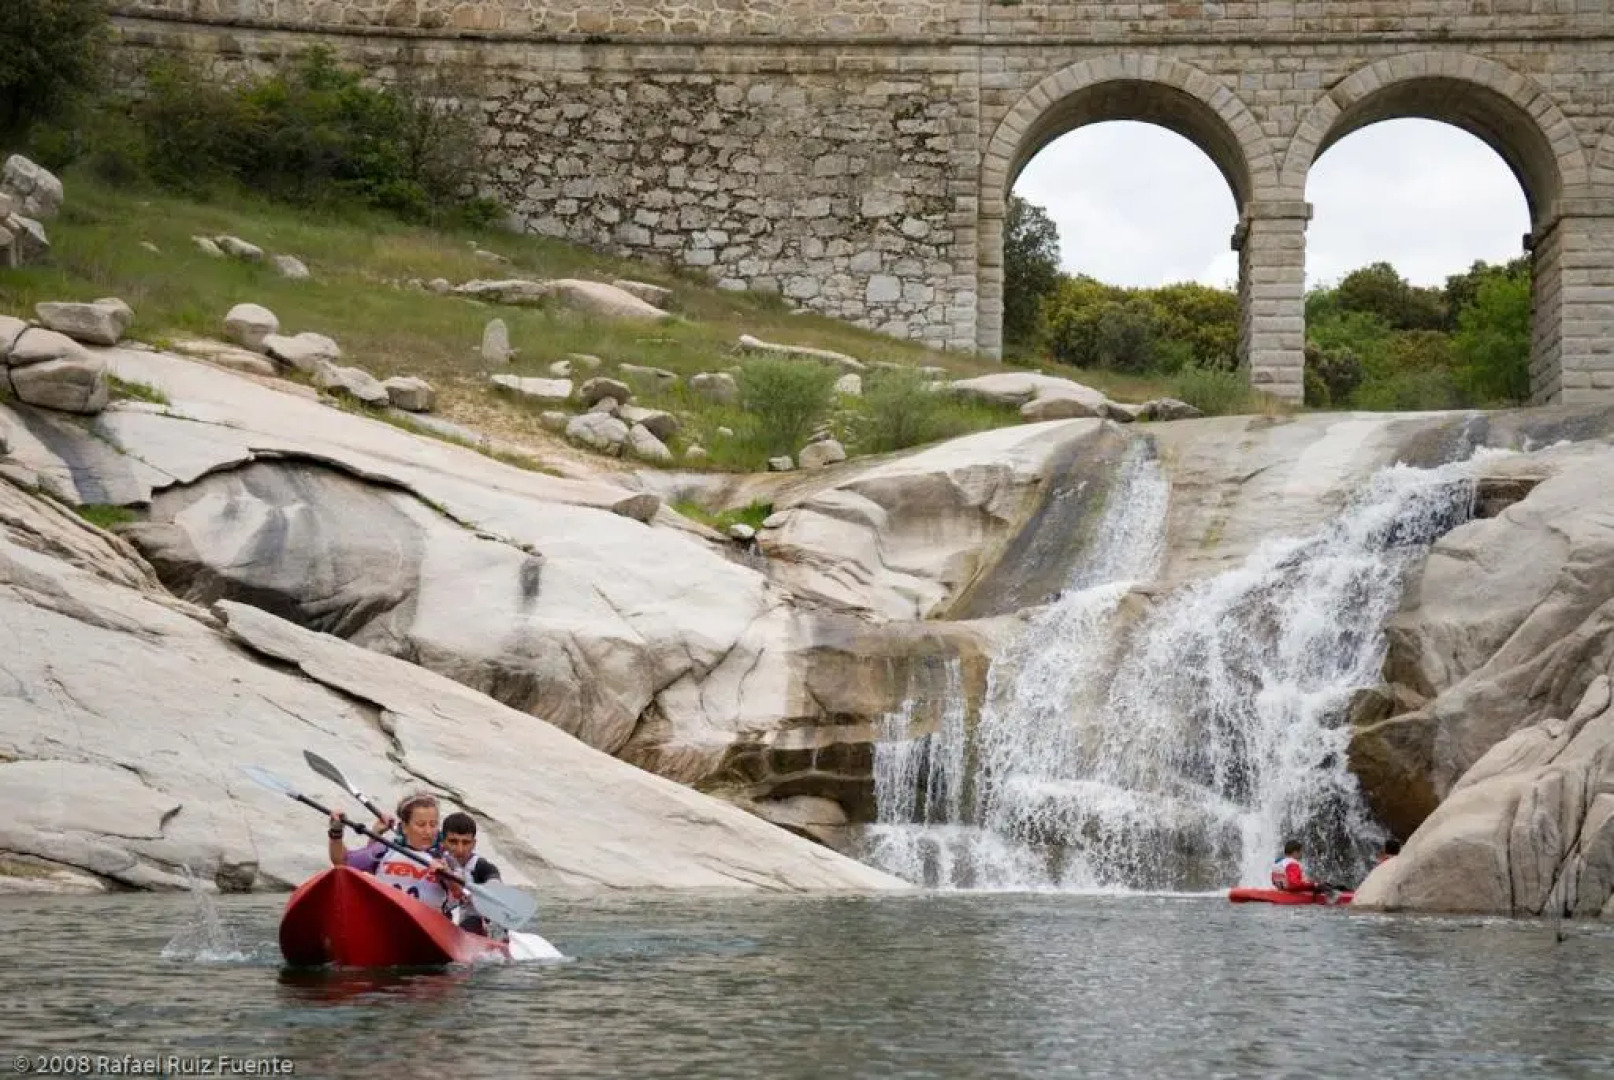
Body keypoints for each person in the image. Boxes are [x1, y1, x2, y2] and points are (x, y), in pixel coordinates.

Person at [327, 791, 456, 913]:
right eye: (421, 825)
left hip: (427, 928)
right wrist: (336, 832)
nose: (428, 831)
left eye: (433, 825)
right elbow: (342, 862)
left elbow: (463, 895)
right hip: (385, 917)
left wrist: (449, 878)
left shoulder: (447, 859)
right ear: (405, 827)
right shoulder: (384, 850)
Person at [439, 811, 503, 938]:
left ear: (473, 844)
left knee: (472, 921)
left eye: (466, 842)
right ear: (443, 841)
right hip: (441, 920)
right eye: (453, 841)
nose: (460, 849)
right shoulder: (434, 860)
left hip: (472, 925)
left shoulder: (481, 867)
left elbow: (495, 883)